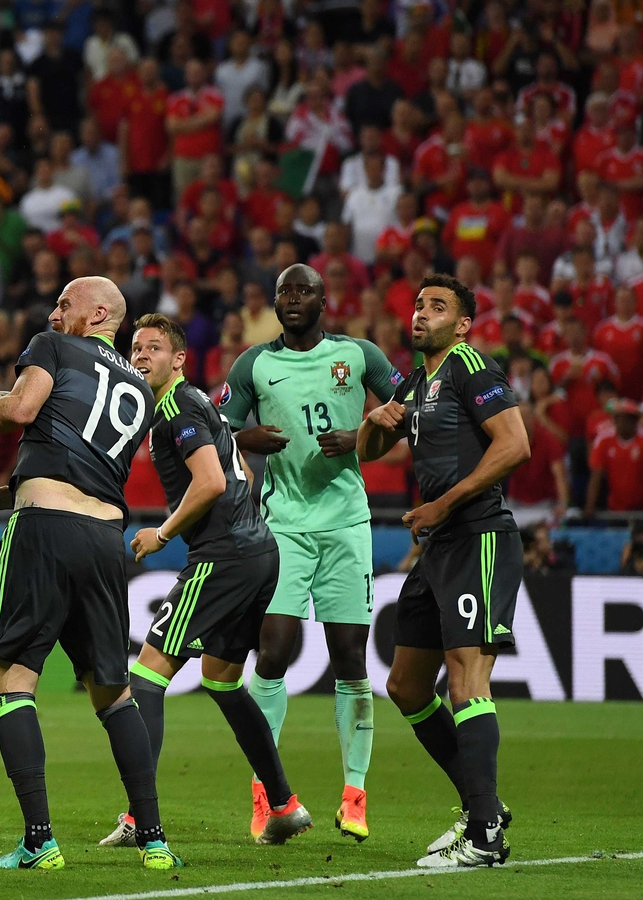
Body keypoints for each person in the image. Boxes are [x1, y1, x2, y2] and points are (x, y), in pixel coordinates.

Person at [0, 277, 179, 871]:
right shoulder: (136, 385)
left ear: (100, 312)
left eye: (65, 304)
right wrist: (3, 492)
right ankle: (155, 838)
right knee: (113, 690)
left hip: (44, 534)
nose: (54, 313)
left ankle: (39, 839)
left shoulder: (52, 347)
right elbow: (71, 454)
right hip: (105, 540)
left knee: (12, 680)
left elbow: (23, 408)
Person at [95, 313, 310, 851]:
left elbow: (211, 480)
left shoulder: (180, 406)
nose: (141, 355)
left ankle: (137, 817)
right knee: (220, 679)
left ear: (179, 359)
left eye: (153, 348)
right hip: (257, 551)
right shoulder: (189, 408)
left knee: (146, 676)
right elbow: (236, 470)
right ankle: (283, 805)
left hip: (223, 556)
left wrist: (163, 532)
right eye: (136, 348)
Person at [356, 273, 530, 868]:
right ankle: (484, 807)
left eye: (437, 307)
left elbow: (514, 444)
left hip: (476, 534)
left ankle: (484, 836)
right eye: (418, 306)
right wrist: (375, 423)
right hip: (438, 548)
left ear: (462, 324)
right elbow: (369, 454)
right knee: (406, 684)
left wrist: (444, 503)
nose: (420, 314)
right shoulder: (417, 380)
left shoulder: (469, 367)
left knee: (465, 680)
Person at [222, 263, 399, 841]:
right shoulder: (254, 364)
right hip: (285, 526)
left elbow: (409, 412)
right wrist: (250, 438)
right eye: (284, 292)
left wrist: (362, 437)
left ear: (324, 301)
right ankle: (267, 797)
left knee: (351, 658)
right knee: (271, 654)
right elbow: (217, 431)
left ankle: (355, 795)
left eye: (304, 291)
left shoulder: (360, 356)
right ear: (275, 302)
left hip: (347, 523)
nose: (293, 299)